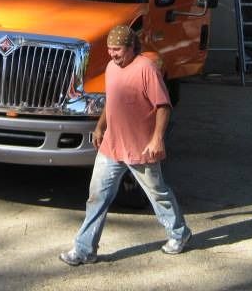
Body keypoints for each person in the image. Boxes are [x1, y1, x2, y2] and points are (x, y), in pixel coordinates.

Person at [60, 25, 191, 265]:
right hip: (111, 147)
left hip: (140, 148)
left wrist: (157, 138)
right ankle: (84, 249)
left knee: (158, 194)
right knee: (97, 197)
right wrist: (100, 127)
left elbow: (163, 106)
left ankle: (179, 233)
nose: (113, 54)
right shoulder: (111, 67)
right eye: (110, 49)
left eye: (117, 49)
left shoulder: (146, 69)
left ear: (131, 48)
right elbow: (112, 101)